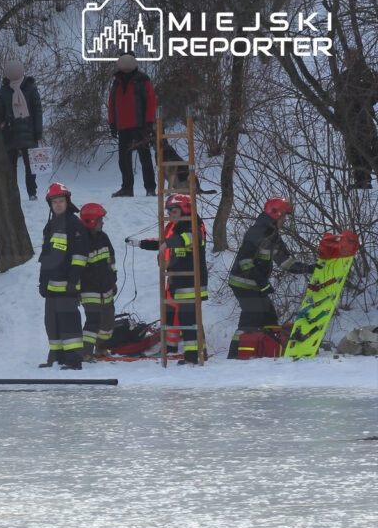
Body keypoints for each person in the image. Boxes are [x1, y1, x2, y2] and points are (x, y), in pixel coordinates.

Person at [227, 197, 314, 359]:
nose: (285, 220)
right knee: (251, 318)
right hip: (242, 283)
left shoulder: (272, 235)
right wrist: (263, 282)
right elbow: (244, 261)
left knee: (269, 317)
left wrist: (309, 268)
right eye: (284, 216)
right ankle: (235, 357)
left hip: (255, 284)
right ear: (276, 214)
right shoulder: (257, 232)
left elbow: (286, 261)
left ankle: (267, 351)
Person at [139, 194, 209, 364]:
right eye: (169, 211)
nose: (171, 214)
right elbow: (168, 241)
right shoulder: (178, 227)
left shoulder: (194, 226)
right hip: (180, 282)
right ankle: (200, 352)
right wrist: (145, 244)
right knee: (190, 320)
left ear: (185, 210)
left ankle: (193, 357)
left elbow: (190, 238)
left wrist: (167, 244)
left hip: (190, 282)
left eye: (174, 211)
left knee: (189, 321)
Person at [38, 184, 88, 370]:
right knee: (52, 322)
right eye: (54, 202)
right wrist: (43, 281)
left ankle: (74, 360)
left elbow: (80, 255)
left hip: (67, 284)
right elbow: (46, 256)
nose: (58, 205)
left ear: (67, 201)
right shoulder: (50, 225)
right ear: (50, 204)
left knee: (69, 322)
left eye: (61, 201)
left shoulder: (74, 224)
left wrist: (73, 281)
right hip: (51, 285)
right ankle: (56, 357)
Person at [108, 51, 157, 197]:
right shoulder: (116, 81)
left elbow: (151, 102)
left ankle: (150, 188)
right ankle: (127, 188)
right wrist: (112, 123)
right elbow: (112, 104)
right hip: (123, 127)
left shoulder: (143, 80)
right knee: (124, 160)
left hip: (140, 125)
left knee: (145, 157)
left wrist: (149, 122)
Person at [0, 58, 44, 201]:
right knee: (17, 166)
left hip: (19, 132)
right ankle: (24, 193)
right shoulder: (30, 88)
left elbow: (0, 111)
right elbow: (37, 112)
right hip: (16, 132)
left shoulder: (7, 90)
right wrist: (38, 133)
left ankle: (27, 192)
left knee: (22, 165)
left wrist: (38, 132)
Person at [333, 48, 378, 190]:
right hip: (348, 120)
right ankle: (361, 182)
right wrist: (338, 119)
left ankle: (365, 180)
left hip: (362, 117)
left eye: (350, 58)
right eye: (346, 58)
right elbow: (339, 101)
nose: (346, 61)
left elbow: (374, 93)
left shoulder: (367, 73)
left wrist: (364, 101)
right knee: (353, 152)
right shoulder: (342, 77)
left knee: (367, 149)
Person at [78, 203, 117, 361]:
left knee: (108, 323)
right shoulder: (80, 241)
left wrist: (113, 279)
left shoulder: (103, 237)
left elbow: (111, 260)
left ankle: (101, 348)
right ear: (91, 221)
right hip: (89, 289)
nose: (103, 222)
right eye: (100, 219)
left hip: (106, 287)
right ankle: (86, 352)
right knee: (93, 321)